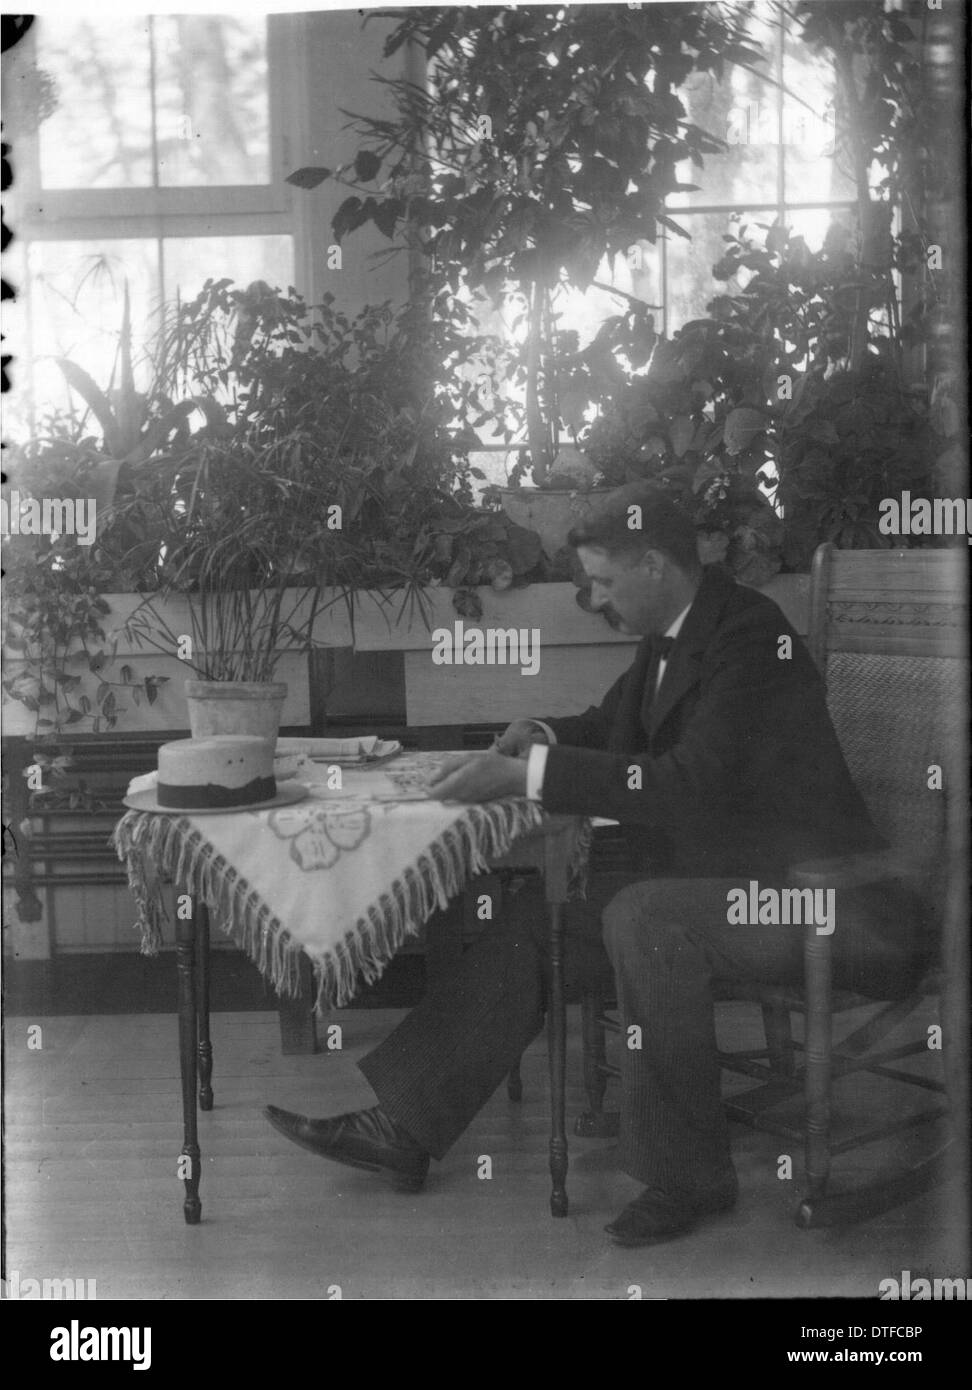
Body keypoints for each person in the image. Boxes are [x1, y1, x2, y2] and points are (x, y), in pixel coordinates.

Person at [266, 489, 929, 1246]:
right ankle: (402, 1127)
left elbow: (684, 781)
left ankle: (691, 1176)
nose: (595, 598)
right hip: (727, 882)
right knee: (542, 919)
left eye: (605, 582)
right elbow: (617, 731)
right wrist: (538, 736)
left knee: (643, 916)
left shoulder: (750, 638)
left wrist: (531, 778)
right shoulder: (676, 629)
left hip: (825, 898)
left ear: (653, 566)